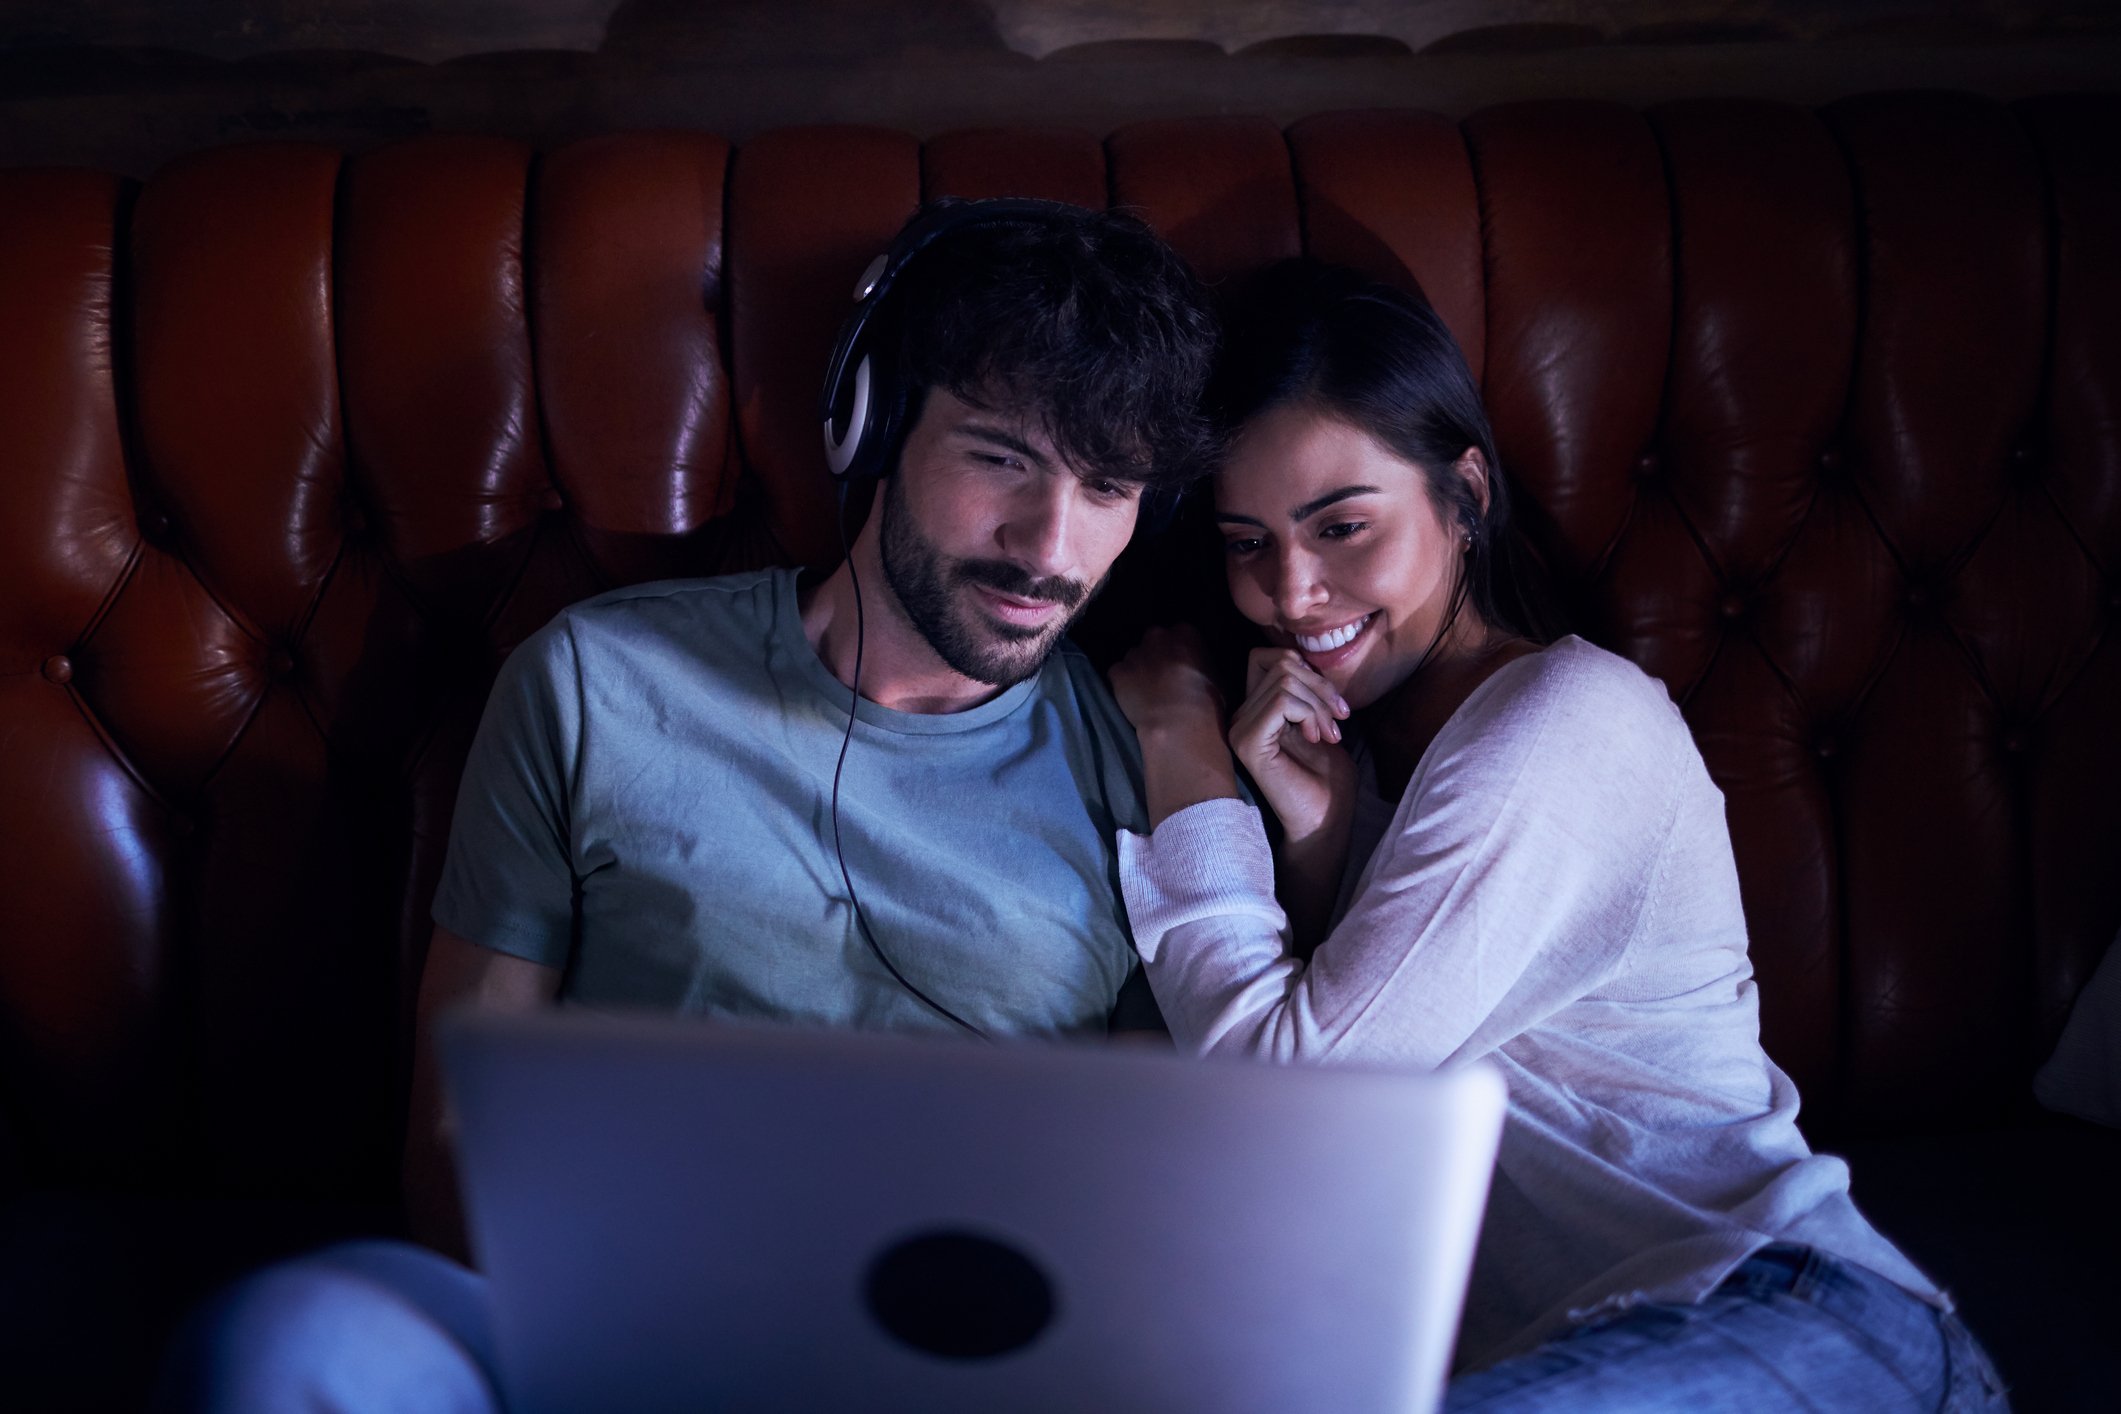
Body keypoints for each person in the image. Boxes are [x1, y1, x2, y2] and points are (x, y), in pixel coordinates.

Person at [156, 198, 1218, 1413]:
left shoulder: (1146, 765)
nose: (1050, 546)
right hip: (601, 1344)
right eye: (1000, 458)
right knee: (298, 1340)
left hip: (957, 1374)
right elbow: (455, 1133)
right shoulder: (595, 683)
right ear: (869, 429)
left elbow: (1156, 1192)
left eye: (1108, 487)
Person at [1107, 260, 2009, 1413]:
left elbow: (1284, 1080)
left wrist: (1180, 743)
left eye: (1342, 525)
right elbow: (1372, 1107)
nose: (1290, 590)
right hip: (1556, 1364)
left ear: (1464, 493)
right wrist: (1327, 843)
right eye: (1247, 542)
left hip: (1789, 1315)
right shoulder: (1365, 765)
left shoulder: (1564, 723)